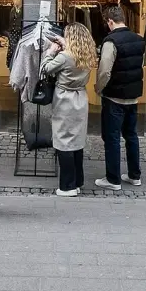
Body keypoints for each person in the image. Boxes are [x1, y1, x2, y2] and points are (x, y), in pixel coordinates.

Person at [40, 22, 94, 197]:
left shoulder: (64, 56)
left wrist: (49, 53)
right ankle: (78, 181)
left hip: (65, 99)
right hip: (80, 98)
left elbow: (45, 69)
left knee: (64, 142)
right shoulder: (88, 54)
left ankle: (68, 186)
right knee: (76, 142)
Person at [94, 4, 144, 190]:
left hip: (114, 97)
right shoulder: (139, 40)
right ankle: (134, 175)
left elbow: (105, 71)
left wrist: (98, 89)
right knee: (131, 135)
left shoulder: (110, 42)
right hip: (133, 96)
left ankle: (113, 179)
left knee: (112, 137)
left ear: (110, 21)